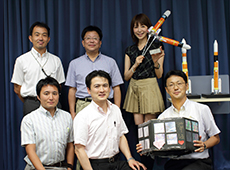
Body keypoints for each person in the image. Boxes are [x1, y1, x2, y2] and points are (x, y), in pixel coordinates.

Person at [137, 70, 220, 170]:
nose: (176, 88)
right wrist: (146, 147)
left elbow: (216, 138)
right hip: (174, 163)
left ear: (186, 86)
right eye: (171, 85)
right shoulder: (163, 117)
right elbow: (158, 144)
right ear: (167, 90)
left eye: (179, 83)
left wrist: (204, 145)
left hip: (199, 162)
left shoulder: (202, 109)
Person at [73, 70, 146, 170]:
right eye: (97, 86)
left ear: (110, 88)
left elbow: (121, 136)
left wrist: (130, 158)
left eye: (105, 85)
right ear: (89, 90)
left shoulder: (115, 109)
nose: (102, 90)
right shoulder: (83, 116)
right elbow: (79, 149)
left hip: (116, 162)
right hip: (95, 165)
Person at [65, 25, 123, 120]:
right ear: (83, 43)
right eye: (88, 38)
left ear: (100, 43)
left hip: (105, 104)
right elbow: (72, 89)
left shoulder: (110, 62)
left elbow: (116, 87)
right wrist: (72, 112)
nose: (91, 41)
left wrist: (117, 111)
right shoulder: (74, 63)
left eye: (95, 38)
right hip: (83, 105)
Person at [11, 21, 65, 116]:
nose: (40, 38)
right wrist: (31, 101)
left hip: (53, 103)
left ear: (48, 39)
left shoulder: (56, 60)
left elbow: (59, 85)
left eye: (44, 35)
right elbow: (17, 88)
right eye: (37, 35)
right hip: (31, 103)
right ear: (30, 38)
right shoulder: (21, 60)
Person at [21, 76, 74, 170]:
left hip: (60, 167)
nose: (51, 97)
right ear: (38, 96)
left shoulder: (67, 117)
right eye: (46, 93)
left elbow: (70, 145)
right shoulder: (29, 119)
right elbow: (30, 151)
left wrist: (69, 167)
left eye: (55, 93)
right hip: (36, 168)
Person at [123, 13, 165, 126]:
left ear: (149, 28)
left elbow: (159, 75)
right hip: (134, 86)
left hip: (150, 86)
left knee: (149, 126)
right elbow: (126, 77)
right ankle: (141, 144)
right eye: (136, 27)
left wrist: (155, 62)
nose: (139, 30)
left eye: (143, 26)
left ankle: (150, 145)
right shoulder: (130, 50)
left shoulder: (156, 47)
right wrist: (135, 65)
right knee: (139, 126)